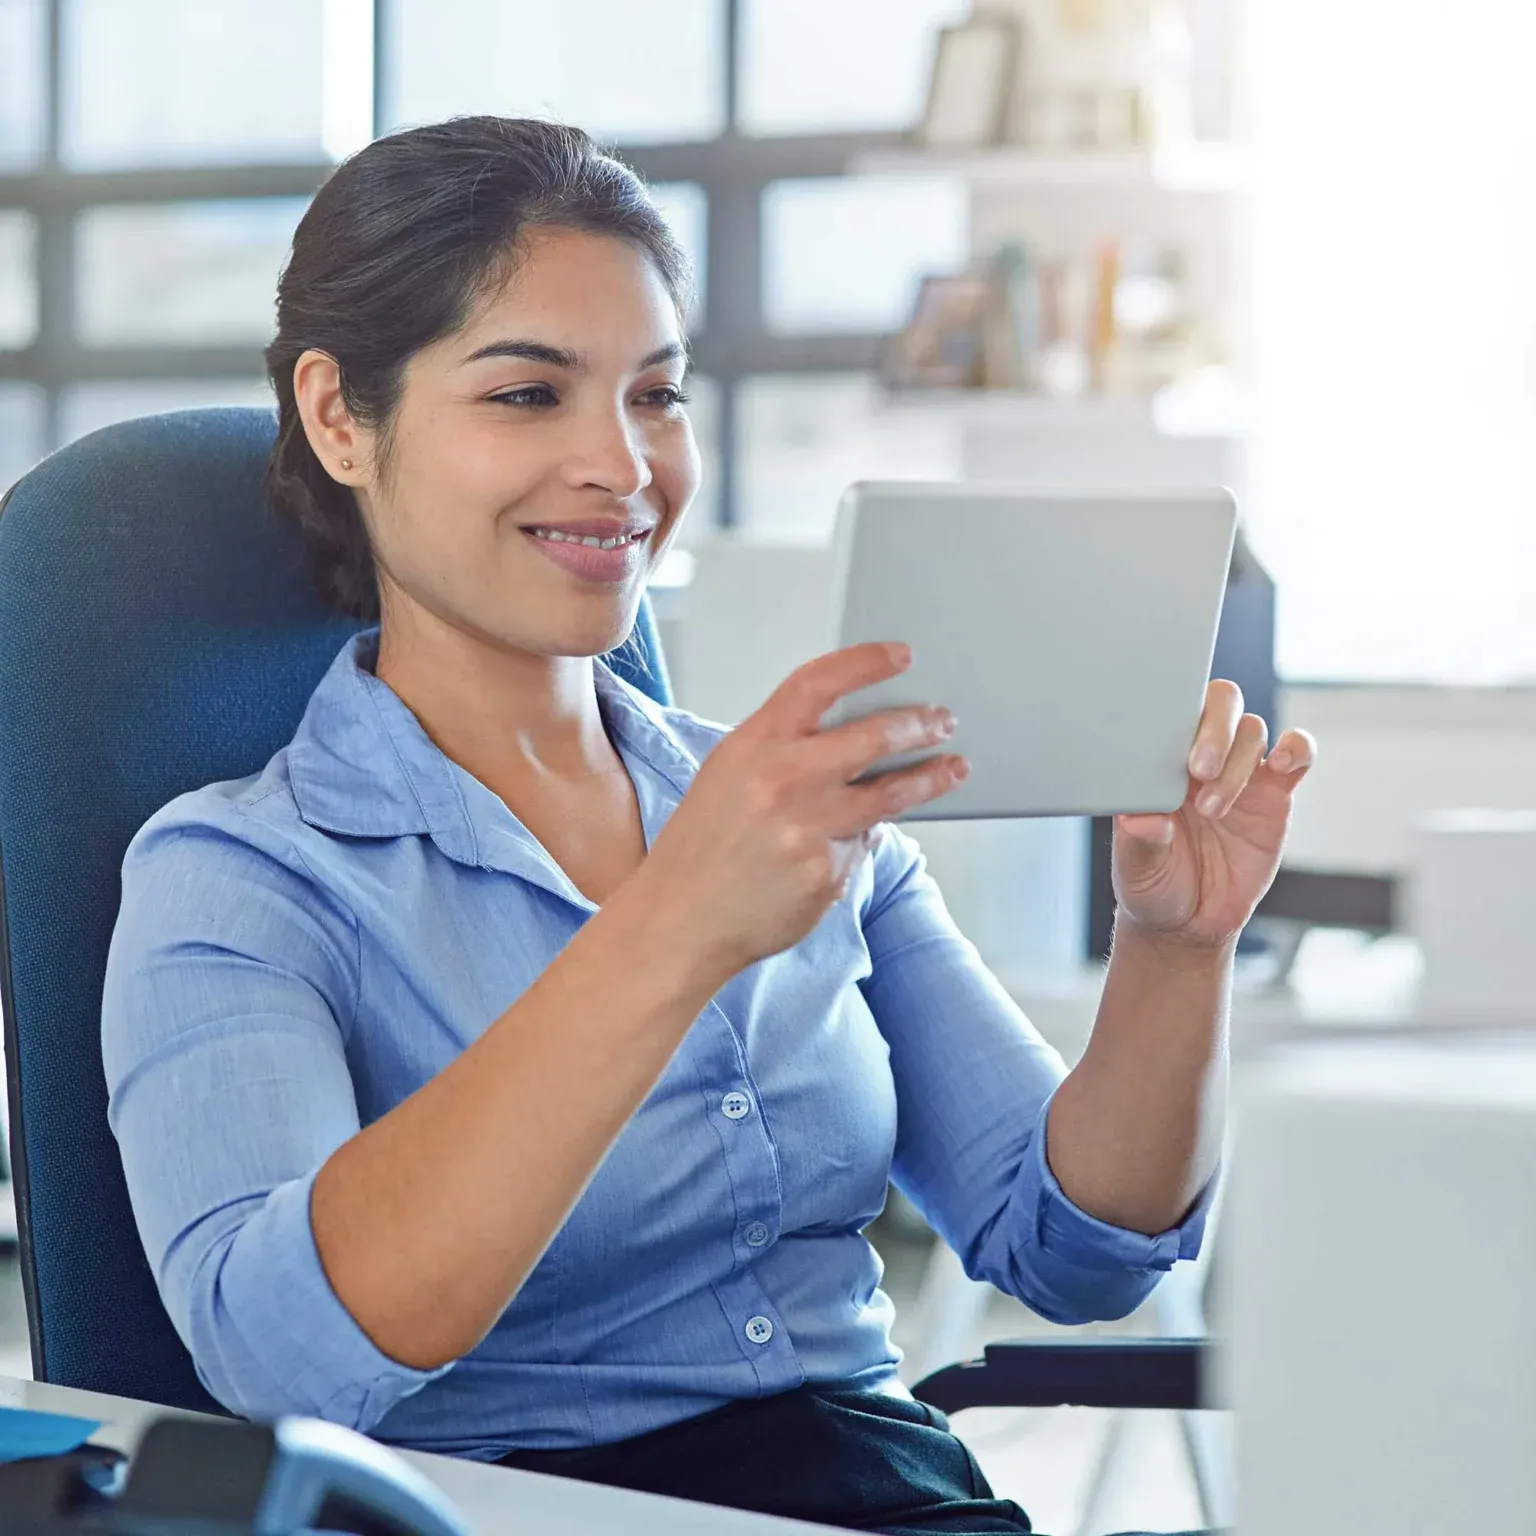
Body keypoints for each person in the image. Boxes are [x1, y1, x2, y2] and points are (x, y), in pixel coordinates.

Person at [101, 117, 1314, 1536]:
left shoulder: (793, 804)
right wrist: (674, 928)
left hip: (882, 1494)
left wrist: (1177, 950)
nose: (621, 465)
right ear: (339, 417)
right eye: (526, 396)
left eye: (657, 396)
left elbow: (1074, 1249)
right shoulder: (240, 875)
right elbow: (278, 1358)